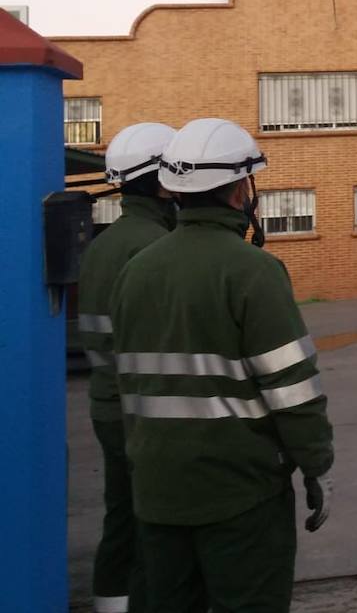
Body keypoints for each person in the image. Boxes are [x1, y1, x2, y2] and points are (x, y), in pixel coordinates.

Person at [110, 118, 334, 613]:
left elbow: (127, 383)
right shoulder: (253, 272)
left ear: (174, 189)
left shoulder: (135, 271)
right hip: (240, 495)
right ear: (239, 191)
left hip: (156, 490)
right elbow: (292, 389)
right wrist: (316, 465)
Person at [78, 122, 179, 613]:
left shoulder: (103, 245)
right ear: (163, 184)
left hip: (107, 404)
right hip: (147, 416)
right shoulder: (157, 249)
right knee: (158, 527)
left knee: (121, 517)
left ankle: (109, 602)